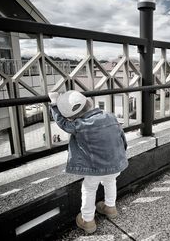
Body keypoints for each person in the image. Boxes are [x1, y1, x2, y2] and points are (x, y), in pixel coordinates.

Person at [48, 90, 128, 234]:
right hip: (116, 163)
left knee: (89, 189)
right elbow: (122, 138)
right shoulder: (110, 116)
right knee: (110, 182)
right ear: (89, 103)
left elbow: (62, 123)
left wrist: (54, 104)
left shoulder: (80, 125)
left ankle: (88, 220)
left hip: (95, 168)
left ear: (73, 116)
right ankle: (110, 207)